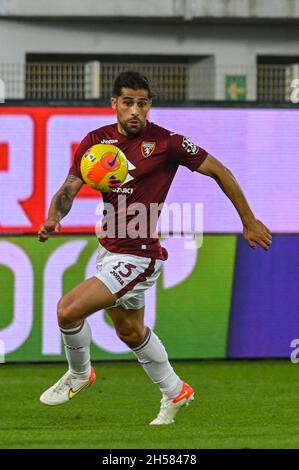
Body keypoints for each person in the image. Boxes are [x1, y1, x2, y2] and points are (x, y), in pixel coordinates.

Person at [38, 70, 272, 425]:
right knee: (130, 331)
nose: (135, 111)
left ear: (149, 106)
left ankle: (80, 373)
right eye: (128, 102)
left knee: (68, 310)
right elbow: (69, 189)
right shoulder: (95, 143)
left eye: (142, 104)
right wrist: (55, 216)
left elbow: (221, 171)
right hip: (110, 251)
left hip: (139, 256)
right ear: (114, 103)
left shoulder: (167, 143)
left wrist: (249, 220)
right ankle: (175, 392)